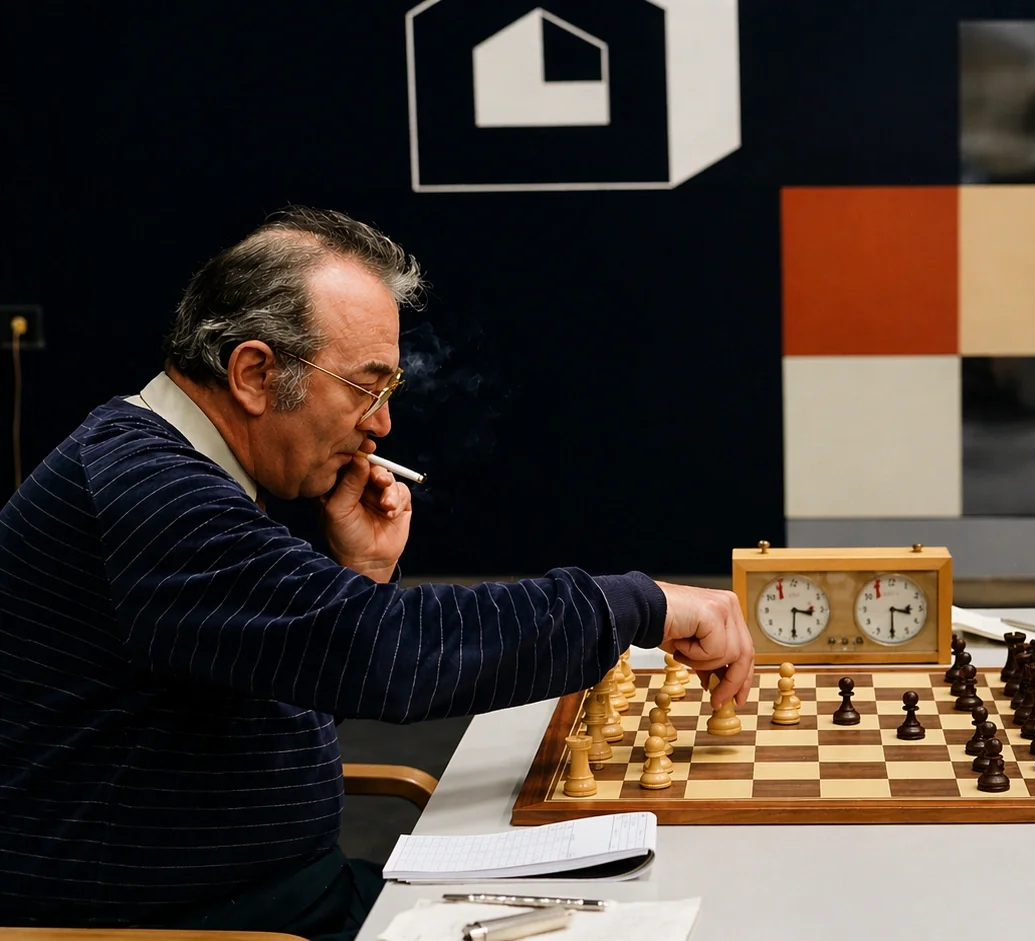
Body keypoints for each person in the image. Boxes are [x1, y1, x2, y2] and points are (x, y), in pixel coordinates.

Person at [0, 208, 756, 939]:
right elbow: (388, 653)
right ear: (256, 373)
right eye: (366, 387)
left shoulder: (170, 469)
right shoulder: (147, 490)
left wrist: (357, 571)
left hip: (278, 896)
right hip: (196, 927)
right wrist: (637, 603)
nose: (381, 424)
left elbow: (289, 678)